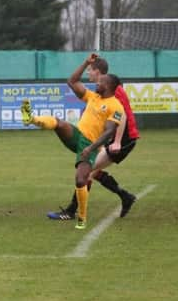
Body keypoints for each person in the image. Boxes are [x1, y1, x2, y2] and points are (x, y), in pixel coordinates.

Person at [21, 53, 125, 229]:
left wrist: (91, 148)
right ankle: (31, 119)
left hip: (89, 145)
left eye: (100, 82)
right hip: (77, 135)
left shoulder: (116, 106)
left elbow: (109, 133)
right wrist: (86, 63)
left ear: (108, 86)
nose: (96, 83)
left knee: (80, 180)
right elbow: (72, 81)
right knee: (59, 123)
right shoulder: (93, 96)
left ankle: (82, 218)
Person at [47, 55, 140, 221]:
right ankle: (125, 196)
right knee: (91, 170)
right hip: (110, 138)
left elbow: (122, 116)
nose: (88, 74)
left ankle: (71, 211)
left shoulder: (113, 90)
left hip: (124, 139)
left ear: (97, 71)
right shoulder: (103, 89)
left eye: (90, 70)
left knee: (87, 171)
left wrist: (117, 141)